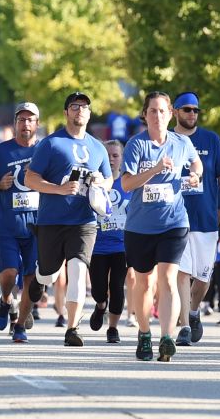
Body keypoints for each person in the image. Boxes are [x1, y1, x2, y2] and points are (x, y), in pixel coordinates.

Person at [120, 91, 206, 362]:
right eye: (152, 111)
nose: (157, 116)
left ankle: (167, 337)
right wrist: (155, 170)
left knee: (169, 279)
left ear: (171, 114)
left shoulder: (181, 143)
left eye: (162, 111)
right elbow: (126, 184)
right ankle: (144, 333)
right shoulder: (136, 144)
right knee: (144, 283)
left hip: (174, 222)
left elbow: (197, 164)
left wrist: (194, 176)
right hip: (140, 226)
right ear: (145, 115)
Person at [23, 91, 113, 348]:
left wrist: (101, 183)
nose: (80, 111)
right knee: (50, 274)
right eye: (74, 106)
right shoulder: (50, 144)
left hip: (84, 221)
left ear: (89, 112)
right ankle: (41, 279)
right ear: (66, 112)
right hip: (52, 220)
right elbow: (30, 178)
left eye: (84, 107)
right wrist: (58, 189)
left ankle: (72, 328)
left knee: (77, 270)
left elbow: (109, 179)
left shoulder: (97, 147)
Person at [170, 92, 220, 346]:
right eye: (186, 109)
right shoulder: (167, 140)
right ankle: (185, 325)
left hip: (207, 220)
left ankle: (194, 310)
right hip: (174, 218)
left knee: (204, 277)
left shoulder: (211, 139)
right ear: (175, 112)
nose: (192, 114)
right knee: (183, 273)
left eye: (196, 110)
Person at [0, 102, 42, 342]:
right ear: (16, 123)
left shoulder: (45, 149)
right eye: (22, 120)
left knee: (31, 276)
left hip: (38, 224)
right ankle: (6, 299)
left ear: (37, 124)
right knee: (9, 273)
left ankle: (19, 326)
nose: (26, 124)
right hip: (8, 221)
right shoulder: (1, 151)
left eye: (30, 120)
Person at [90, 139, 130, 344]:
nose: (112, 160)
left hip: (122, 246)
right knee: (98, 289)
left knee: (116, 286)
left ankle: (113, 328)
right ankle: (100, 306)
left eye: (115, 156)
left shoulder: (128, 184)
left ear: (122, 159)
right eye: (107, 156)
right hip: (97, 246)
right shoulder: (94, 183)